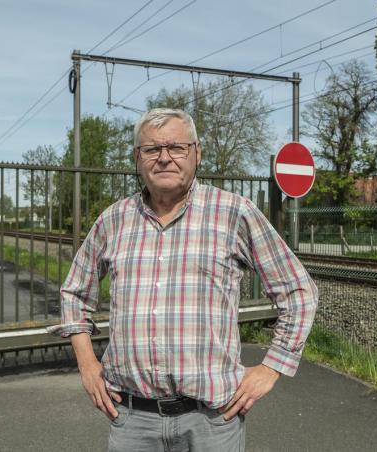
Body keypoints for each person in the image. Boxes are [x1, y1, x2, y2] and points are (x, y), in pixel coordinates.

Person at [48, 108, 318, 451]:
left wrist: (271, 368)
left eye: (177, 148)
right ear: (137, 158)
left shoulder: (233, 213)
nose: (164, 158)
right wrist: (87, 365)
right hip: (133, 420)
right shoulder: (113, 220)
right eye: (151, 149)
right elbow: (74, 293)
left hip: (211, 421)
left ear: (196, 153)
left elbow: (299, 292)